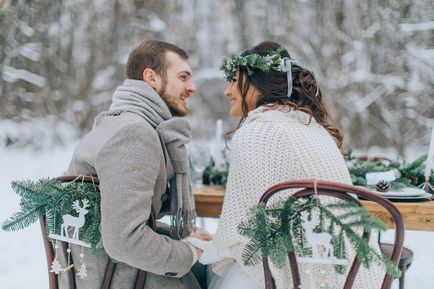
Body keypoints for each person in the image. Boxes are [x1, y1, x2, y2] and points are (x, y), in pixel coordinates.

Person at [187, 41, 385, 289]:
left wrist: (208, 247)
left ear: (257, 85)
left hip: (300, 274)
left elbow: (244, 232)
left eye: (235, 80)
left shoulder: (256, 132)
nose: (227, 91)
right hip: (351, 270)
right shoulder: (311, 126)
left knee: (208, 271)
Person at [63, 40, 204, 289]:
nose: (191, 88)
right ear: (151, 77)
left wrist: (187, 241)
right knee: (223, 273)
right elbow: (124, 240)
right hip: (115, 278)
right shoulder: (134, 134)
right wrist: (190, 252)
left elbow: (122, 221)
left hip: (101, 267)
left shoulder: (117, 122)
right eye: (183, 77)